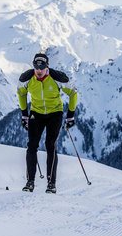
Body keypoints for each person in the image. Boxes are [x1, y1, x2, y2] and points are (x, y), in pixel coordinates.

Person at [17, 53, 77, 193]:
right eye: (36, 67)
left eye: (42, 67)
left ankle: (51, 183)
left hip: (54, 113)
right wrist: (25, 115)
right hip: (36, 113)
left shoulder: (57, 77)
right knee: (32, 145)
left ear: (47, 67)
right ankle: (30, 182)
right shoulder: (26, 78)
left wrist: (70, 116)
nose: (38, 71)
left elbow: (73, 93)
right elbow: (21, 93)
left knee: (50, 145)